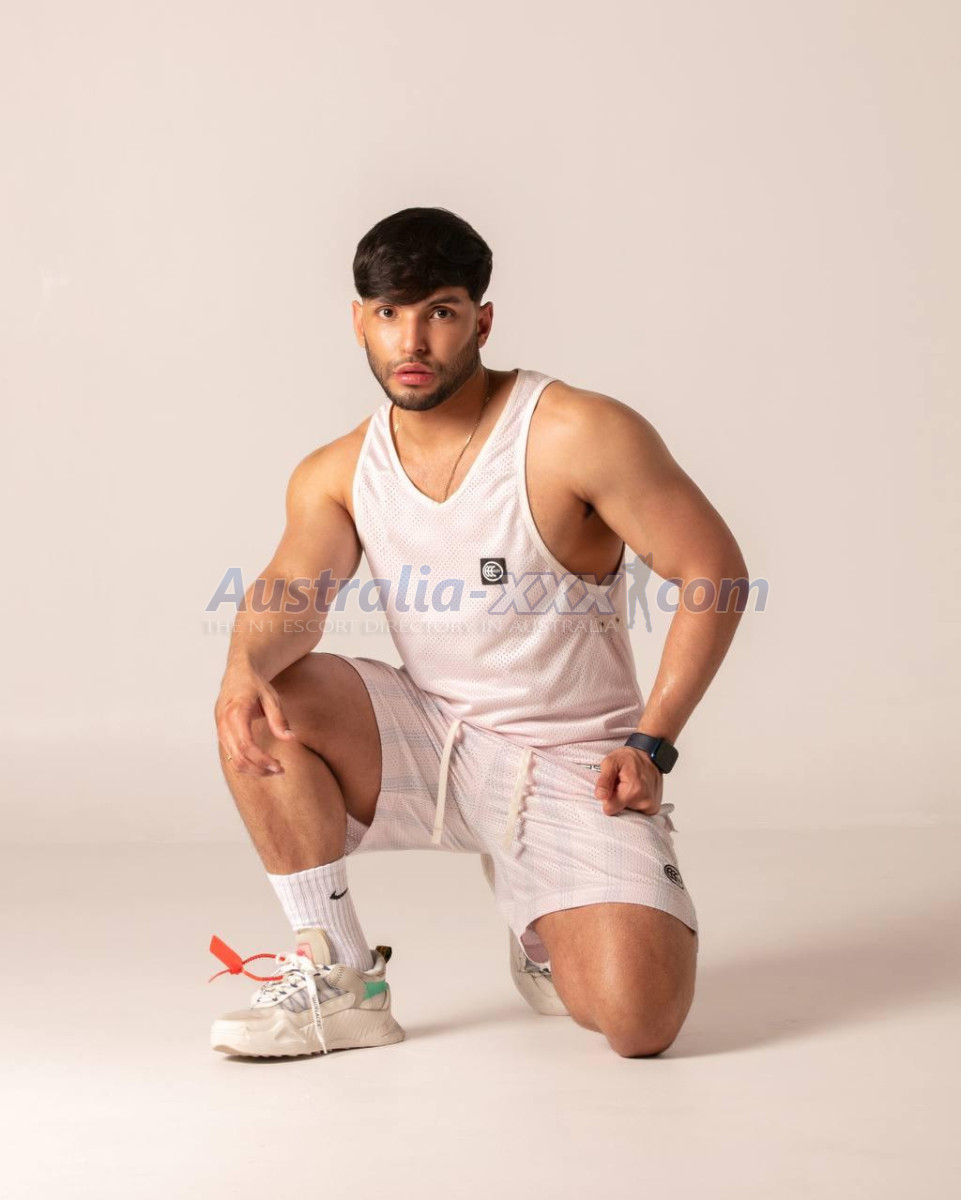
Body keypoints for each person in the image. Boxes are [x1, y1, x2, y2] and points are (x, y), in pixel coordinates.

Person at [210, 206, 749, 1060]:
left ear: (482, 320)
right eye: (389, 313)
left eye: (440, 311)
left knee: (637, 1023)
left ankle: (542, 917)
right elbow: (290, 592)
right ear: (359, 320)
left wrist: (651, 742)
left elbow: (712, 572)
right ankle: (341, 977)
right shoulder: (338, 470)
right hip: (433, 742)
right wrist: (242, 665)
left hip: (573, 763)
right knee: (268, 697)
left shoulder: (574, 432)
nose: (411, 340)